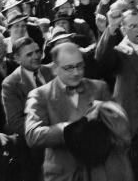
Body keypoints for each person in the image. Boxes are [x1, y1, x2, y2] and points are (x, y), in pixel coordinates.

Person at [25, 42, 111, 181]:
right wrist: (75, 126)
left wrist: (107, 114)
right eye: (69, 68)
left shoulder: (99, 87)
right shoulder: (39, 95)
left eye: (79, 66)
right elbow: (32, 136)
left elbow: (116, 129)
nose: (76, 72)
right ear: (55, 68)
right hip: (62, 175)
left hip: (97, 172)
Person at [95, 9, 138, 181]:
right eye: (132, 26)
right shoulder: (119, 51)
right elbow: (101, 59)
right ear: (123, 30)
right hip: (133, 128)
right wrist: (110, 28)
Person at [1, 37, 54, 181]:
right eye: (29, 54)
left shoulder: (52, 70)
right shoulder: (10, 84)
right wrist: (50, 132)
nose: (36, 56)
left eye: (37, 51)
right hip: (36, 151)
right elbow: (15, 122)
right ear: (17, 59)